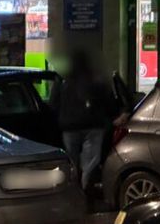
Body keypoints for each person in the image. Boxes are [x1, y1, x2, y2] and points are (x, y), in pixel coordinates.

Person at [50, 51, 124, 194]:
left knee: (71, 160)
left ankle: (73, 186)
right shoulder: (96, 79)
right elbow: (108, 102)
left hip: (70, 127)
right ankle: (85, 185)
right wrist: (112, 117)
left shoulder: (62, 80)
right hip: (93, 126)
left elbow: (53, 104)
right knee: (91, 160)